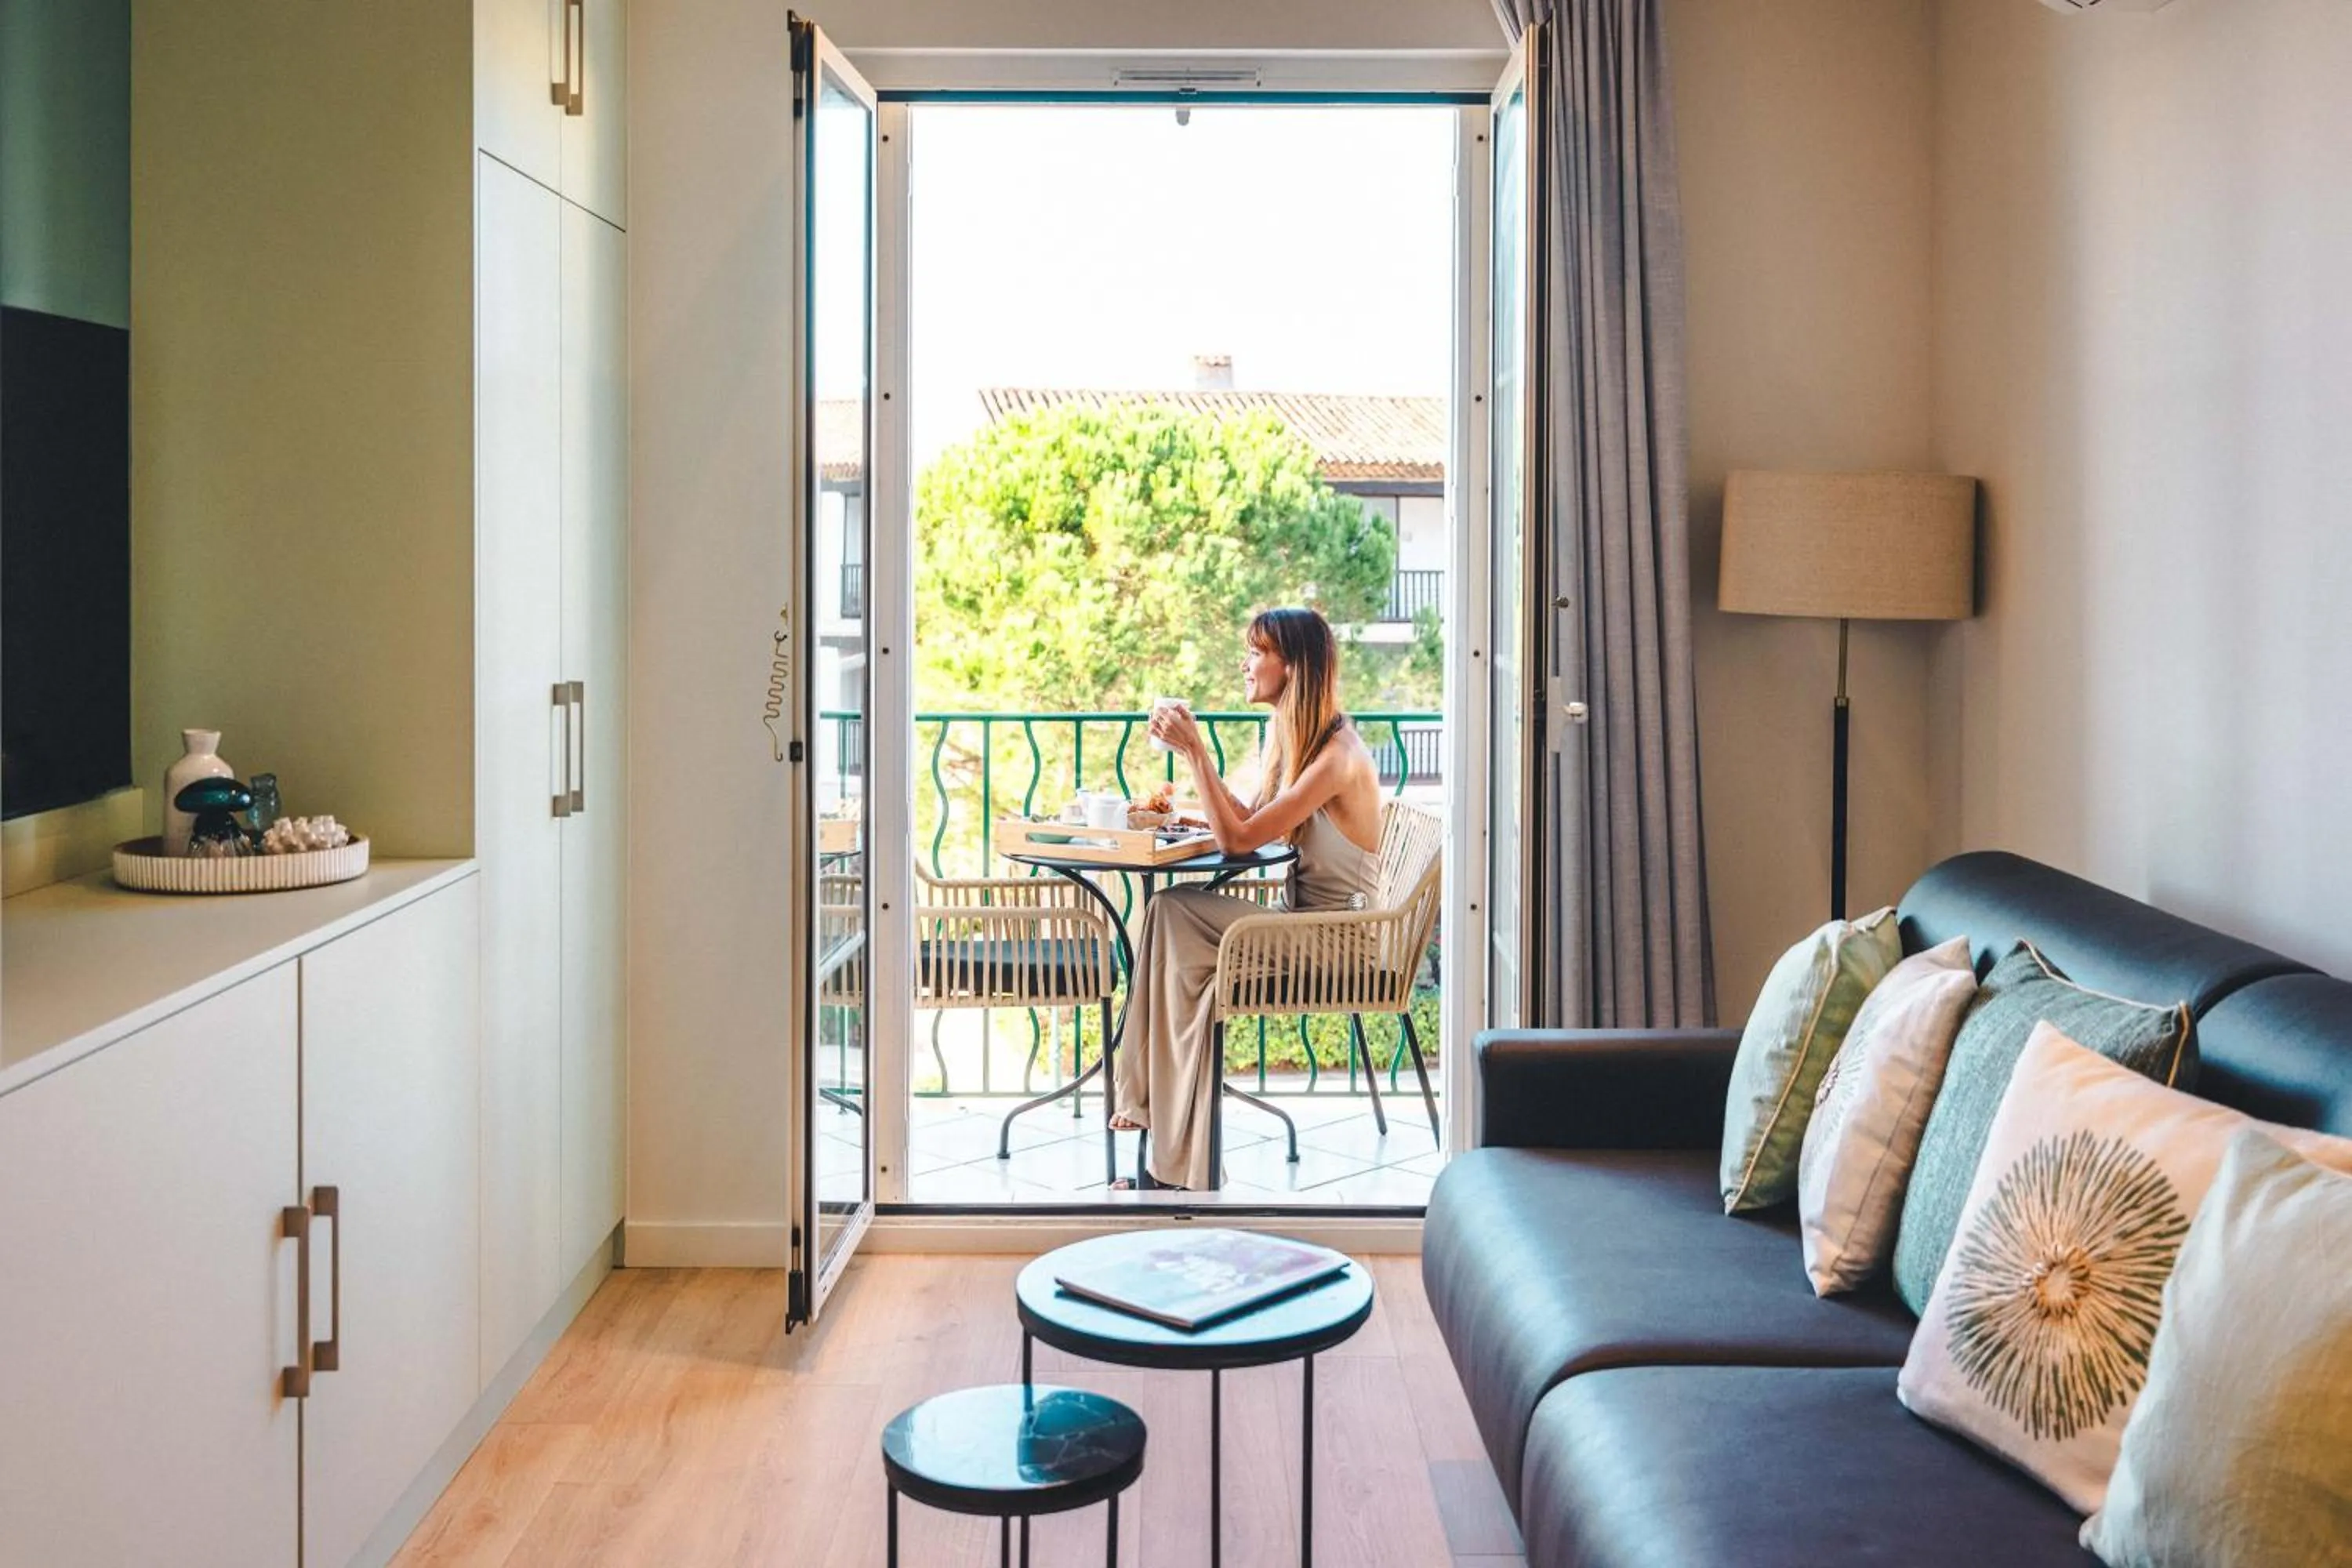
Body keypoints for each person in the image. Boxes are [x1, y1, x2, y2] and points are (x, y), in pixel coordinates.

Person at [1111, 606, 1385, 1189]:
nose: (1246, 662)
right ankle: (1154, 1119)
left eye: (1258, 651)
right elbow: (1254, 820)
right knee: (1171, 916)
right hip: (1302, 928)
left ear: (1294, 667)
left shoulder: (1336, 758)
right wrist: (1186, 800)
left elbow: (1237, 841)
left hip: (1337, 945)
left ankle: (1161, 1128)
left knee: (1176, 915)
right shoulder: (1299, 741)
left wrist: (1196, 753)